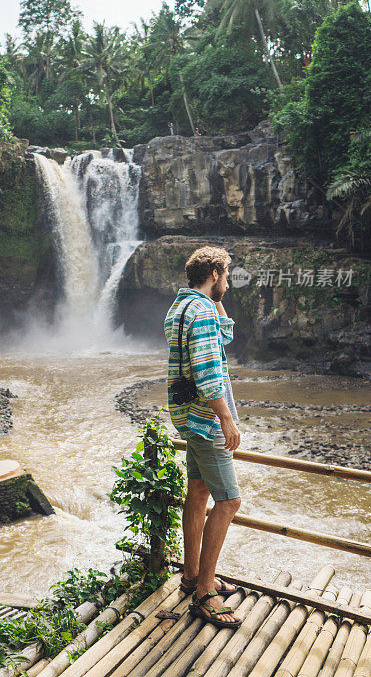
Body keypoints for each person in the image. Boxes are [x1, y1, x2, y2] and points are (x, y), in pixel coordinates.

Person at [164, 246, 242, 629]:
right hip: (206, 420)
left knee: (197, 491)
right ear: (214, 273)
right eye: (224, 276)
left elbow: (222, 337)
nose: (227, 283)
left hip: (185, 416)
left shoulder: (181, 309)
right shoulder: (201, 314)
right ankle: (205, 592)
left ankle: (191, 573)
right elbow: (211, 373)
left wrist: (216, 299)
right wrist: (227, 420)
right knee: (229, 500)